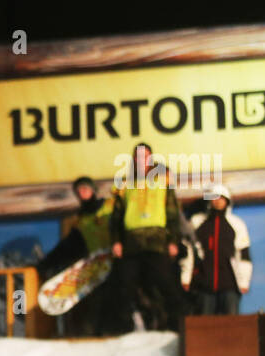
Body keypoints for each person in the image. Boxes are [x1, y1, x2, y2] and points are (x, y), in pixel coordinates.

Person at [108, 143, 186, 333]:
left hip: (156, 241)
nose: (143, 160)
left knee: (166, 284)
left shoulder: (163, 180)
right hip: (131, 243)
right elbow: (116, 216)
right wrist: (116, 241)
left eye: (146, 156)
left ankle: (179, 327)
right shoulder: (124, 183)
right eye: (139, 156)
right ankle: (123, 331)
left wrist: (173, 241)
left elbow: (173, 213)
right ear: (134, 159)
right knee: (124, 287)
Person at [36, 176, 114, 336]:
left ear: (93, 190)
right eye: (79, 191)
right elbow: (68, 246)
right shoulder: (81, 219)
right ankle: (93, 334)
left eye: (86, 189)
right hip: (97, 266)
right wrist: (45, 264)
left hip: (118, 259)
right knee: (93, 301)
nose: (83, 193)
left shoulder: (109, 206)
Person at [183, 183, 252, 315]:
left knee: (231, 323)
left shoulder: (236, 224)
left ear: (227, 201)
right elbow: (189, 251)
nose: (217, 201)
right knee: (205, 323)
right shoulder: (197, 222)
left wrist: (244, 281)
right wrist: (186, 278)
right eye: (214, 198)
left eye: (221, 198)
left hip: (229, 283)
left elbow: (243, 254)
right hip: (203, 283)